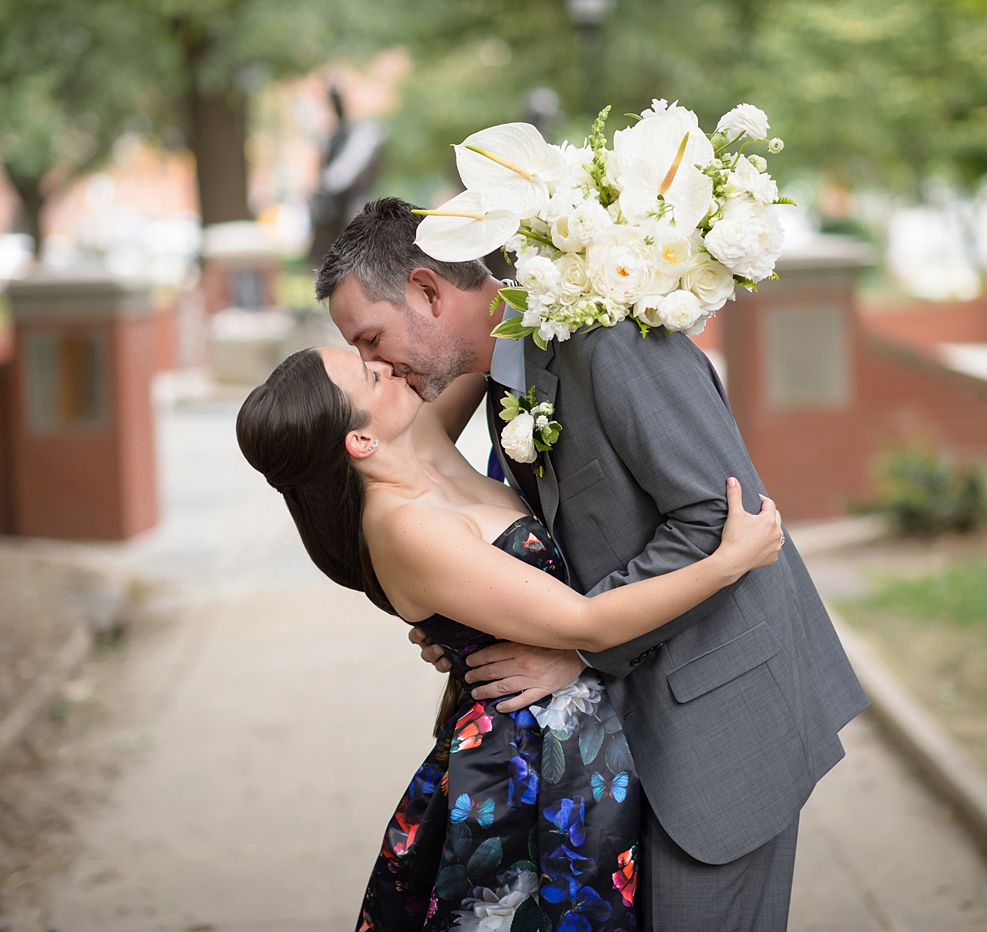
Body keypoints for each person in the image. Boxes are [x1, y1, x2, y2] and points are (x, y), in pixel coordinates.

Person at [315, 198, 870, 931]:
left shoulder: (607, 341)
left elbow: (719, 516)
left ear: (426, 289)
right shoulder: (502, 373)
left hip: (716, 729)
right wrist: (478, 615)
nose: (374, 365)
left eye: (372, 338)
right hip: (628, 736)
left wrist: (574, 645)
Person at [236, 346, 785, 931]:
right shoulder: (406, 525)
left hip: (568, 732)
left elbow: (474, 341)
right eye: (372, 375)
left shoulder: (417, 440)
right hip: (525, 769)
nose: (392, 364)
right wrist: (728, 562)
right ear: (360, 442)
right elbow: (586, 624)